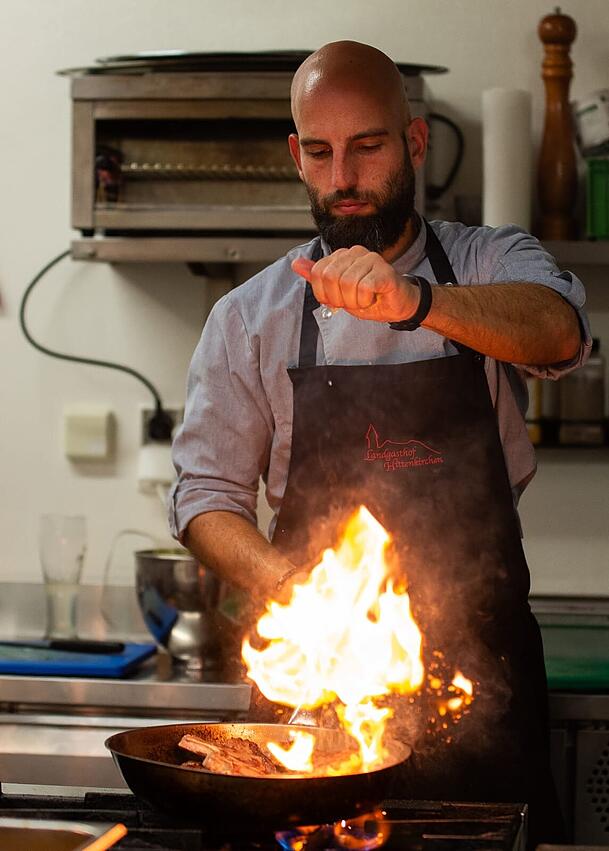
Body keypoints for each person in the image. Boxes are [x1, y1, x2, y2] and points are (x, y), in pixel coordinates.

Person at [169, 41, 590, 845]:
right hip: (321, 695)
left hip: (485, 687)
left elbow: (558, 332)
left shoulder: (487, 260)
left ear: (414, 143)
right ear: (297, 158)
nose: (345, 176)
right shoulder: (248, 317)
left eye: (367, 145)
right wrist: (294, 591)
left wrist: (415, 302)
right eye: (321, 153)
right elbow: (204, 498)